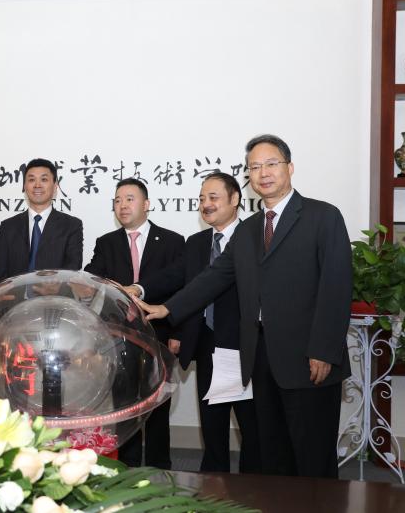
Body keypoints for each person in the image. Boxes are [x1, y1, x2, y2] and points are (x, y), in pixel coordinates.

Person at [135, 135, 352, 478]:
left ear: (289, 167)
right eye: (254, 166)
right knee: (271, 456)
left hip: (308, 358)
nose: (263, 173)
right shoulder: (249, 229)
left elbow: (336, 288)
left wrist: (324, 351)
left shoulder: (322, 216)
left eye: (271, 164)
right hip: (260, 357)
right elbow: (215, 276)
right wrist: (168, 309)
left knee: (312, 457)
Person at [85, 178, 184, 470]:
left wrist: (177, 331)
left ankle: (159, 468)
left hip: (159, 336)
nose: (122, 205)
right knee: (124, 407)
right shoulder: (106, 243)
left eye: (129, 198)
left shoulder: (172, 241)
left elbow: (180, 285)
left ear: (146, 204)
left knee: (157, 407)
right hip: (118, 340)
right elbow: (92, 277)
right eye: (117, 200)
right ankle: (125, 471)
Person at [176, 172, 261, 473]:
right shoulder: (196, 242)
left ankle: (253, 487)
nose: (206, 204)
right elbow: (181, 284)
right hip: (207, 343)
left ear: (235, 199)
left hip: (244, 347)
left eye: (213, 197)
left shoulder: (254, 238)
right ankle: (213, 484)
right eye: (201, 199)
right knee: (212, 425)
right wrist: (141, 289)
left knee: (253, 426)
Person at [0, 159, 83, 282]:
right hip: (16, 294)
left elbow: (72, 270)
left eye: (44, 179)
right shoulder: (8, 227)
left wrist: (55, 288)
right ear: (24, 186)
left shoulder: (71, 225)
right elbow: (1, 276)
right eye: (31, 180)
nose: (37, 185)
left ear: (55, 186)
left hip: (56, 293)